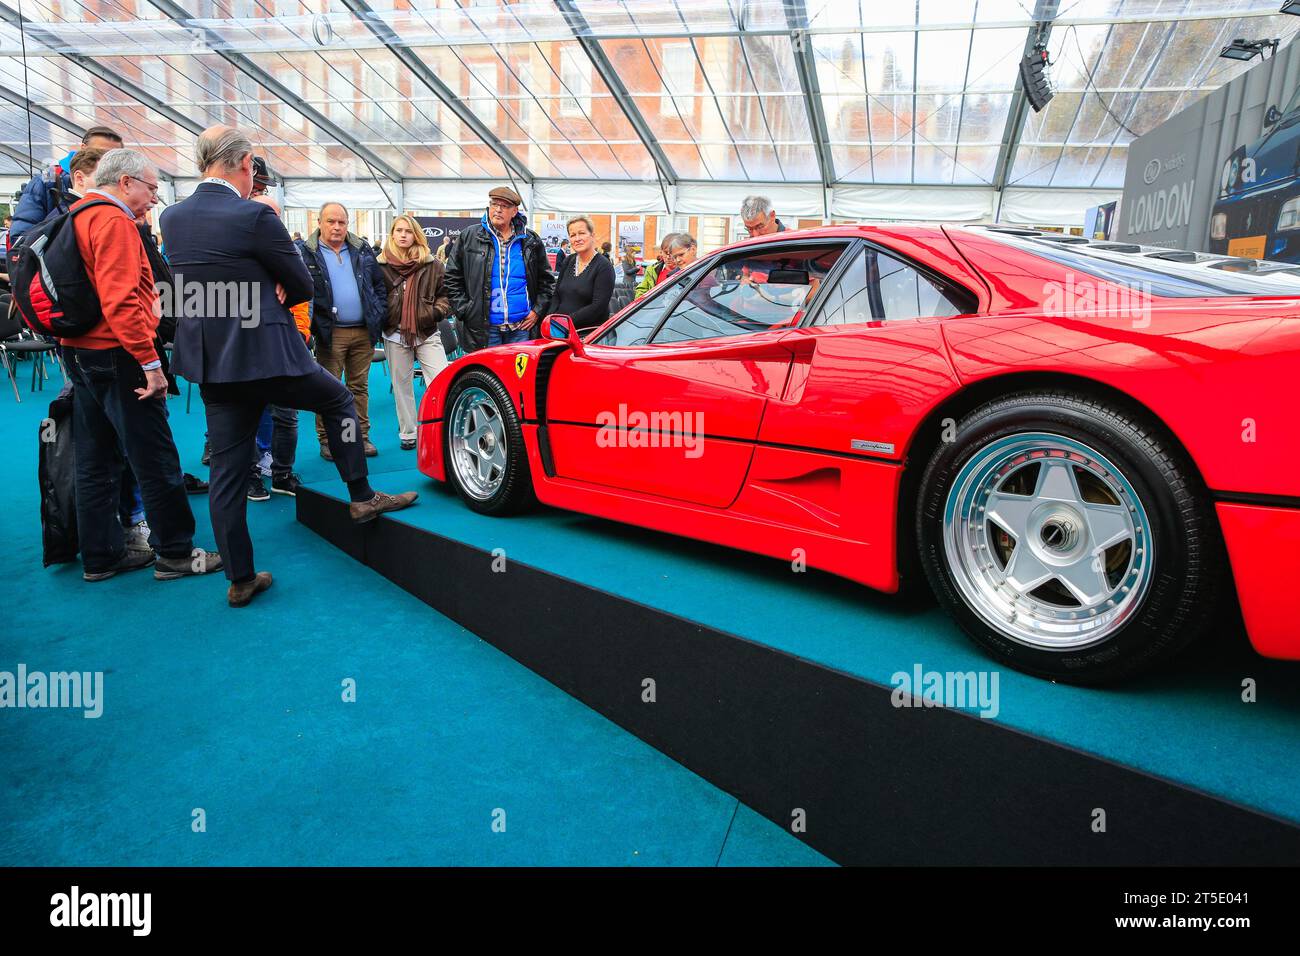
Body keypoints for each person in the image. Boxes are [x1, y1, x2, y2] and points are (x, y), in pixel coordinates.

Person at [160, 126, 417, 608]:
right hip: (266, 353)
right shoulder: (254, 215)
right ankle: (361, 495)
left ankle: (239, 577)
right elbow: (301, 284)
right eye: (253, 167)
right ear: (243, 164)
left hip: (214, 361)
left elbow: (201, 285)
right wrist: (270, 283)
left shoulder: (172, 217)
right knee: (340, 400)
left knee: (228, 472)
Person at [59, 147, 223, 584]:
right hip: (119, 354)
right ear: (126, 182)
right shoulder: (113, 221)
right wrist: (150, 363)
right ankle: (175, 553)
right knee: (154, 455)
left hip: (79, 351)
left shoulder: (78, 214)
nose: (154, 198)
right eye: (152, 188)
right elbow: (122, 302)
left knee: (95, 459)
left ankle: (101, 556)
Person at [300, 201, 387, 459]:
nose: (336, 227)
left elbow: (378, 286)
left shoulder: (361, 249)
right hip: (330, 333)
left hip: (363, 331)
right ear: (319, 223)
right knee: (328, 389)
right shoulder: (306, 252)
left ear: (347, 224)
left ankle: (360, 437)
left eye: (341, 222)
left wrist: (378, 313)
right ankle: (328, 440)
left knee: (359, 387)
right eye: (331, 221)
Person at [247, 190, 309, 499]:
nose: (269, 221)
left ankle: (282, 473)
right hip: (246, 347)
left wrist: (300, 333)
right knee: (249, 413)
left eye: (273, 215)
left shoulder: (289, 252)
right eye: (263, 214)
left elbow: (302, 296)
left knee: (288, 414)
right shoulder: (236, 250)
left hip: (285, 345)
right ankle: (251, 474)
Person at [444, 185, 553, 350]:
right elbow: (452, 276)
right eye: (494, 204)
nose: (498, 210)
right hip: (484, 328)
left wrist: (537, 311)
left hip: (521, 327)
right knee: (488, 374)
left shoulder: (530, 240)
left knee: (519, 375)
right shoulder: (470, 236)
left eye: (504, 206)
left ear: (514, 211)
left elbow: (546, 280)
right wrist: (466, 311)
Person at [377, 215, 451, 451]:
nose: (403, 235)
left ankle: (443, 430)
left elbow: (446, 296)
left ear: (416, 234)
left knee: (441, 380)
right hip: (394, 334)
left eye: (408, 231)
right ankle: (408, 433)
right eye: (398, 230)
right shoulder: (380, 265)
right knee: (402, 387)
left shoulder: (433, 264)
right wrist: (385, 317)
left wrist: (433, 313)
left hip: (427, 332)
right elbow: (373, 297)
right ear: (392, 234)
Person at [10, 126, 123, 244]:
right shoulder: (48, 180)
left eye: (115, 156)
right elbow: (21, 237)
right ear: (83, 149)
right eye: (100, 153)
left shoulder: (121, 186)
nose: (108, 161)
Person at [545, 215, 615, 336]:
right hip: (559, 331)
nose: (577, 239)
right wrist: (549, 319)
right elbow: (557, 294)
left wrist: (565, 322)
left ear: (592, 235)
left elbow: (598, 306)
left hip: (586, 335)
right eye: (572, 235)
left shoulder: (604, 266)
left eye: (582, 233)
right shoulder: (568, 261)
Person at [635, 234, 676, 298]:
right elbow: (641, 290)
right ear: (661, 252)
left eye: (672, 253)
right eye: (666, 252)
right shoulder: (652, 270)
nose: (668, 257)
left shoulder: (686, 270)